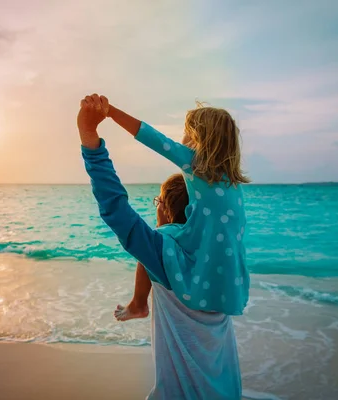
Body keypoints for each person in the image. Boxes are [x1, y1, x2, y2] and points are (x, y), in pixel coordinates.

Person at [77, 94, 244, 398]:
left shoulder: (168, 261)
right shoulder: (216, 278)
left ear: (165, 210)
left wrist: (90, 139)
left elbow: (116, 209)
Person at [100, 95, 251, 319]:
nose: (182, 139)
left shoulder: (194, 162)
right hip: (228, 280)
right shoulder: (233, 182)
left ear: (199, 139)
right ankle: (140, 304)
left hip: (197, 258)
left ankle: (138, 304)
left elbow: (150, 136)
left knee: (154, 237)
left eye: (187, 133)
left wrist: (110, 111)